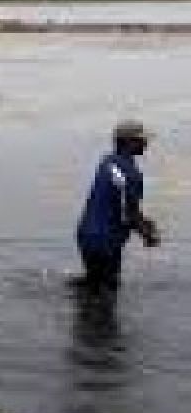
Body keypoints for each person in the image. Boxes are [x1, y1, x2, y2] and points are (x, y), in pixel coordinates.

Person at [75, 121, 160, 292]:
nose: (146, 144)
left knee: (94, 286)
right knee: (108, 291)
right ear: (128, 142)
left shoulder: (108, 162)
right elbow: (129, 214)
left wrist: (143, 221)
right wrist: (148, 235)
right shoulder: (131, 174)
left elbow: (120, 204)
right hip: (105, 240)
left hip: (87, 234)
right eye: (141, 140)